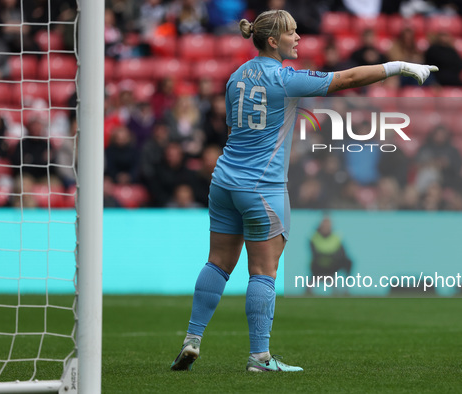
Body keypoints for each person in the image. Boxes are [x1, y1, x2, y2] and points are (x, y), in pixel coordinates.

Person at [170, 9, 438, 373]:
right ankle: (259, 357)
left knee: (217, 262)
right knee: (263, 271)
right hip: (262, 187)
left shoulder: (236, 77)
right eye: (292, 33)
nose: (299, 38)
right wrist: (399, 66)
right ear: (272, 40)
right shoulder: (284, 78)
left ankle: (192, 339)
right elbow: (348, 78)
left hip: (224, 181)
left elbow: (235, 128)